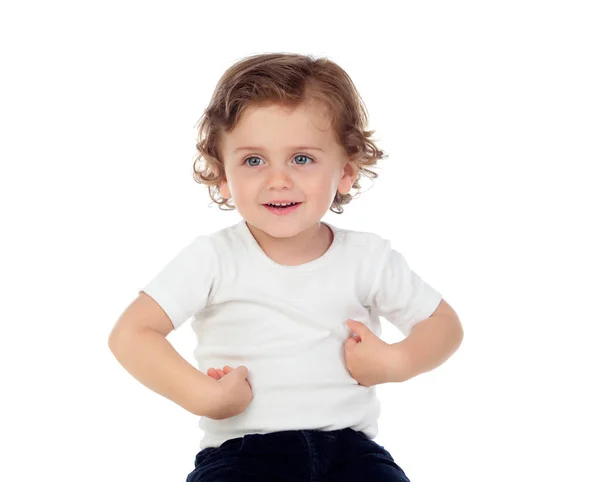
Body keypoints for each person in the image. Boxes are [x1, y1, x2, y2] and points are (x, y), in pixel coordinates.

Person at [108, 52, 463, 482]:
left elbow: (443, 324)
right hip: (243, 454)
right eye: (253, 161)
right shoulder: (213, 258)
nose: (278, 180)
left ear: (346, 171)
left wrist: (396, 361)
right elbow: (132, 335)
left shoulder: (367, 258)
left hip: (350, 452)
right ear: (223, 175)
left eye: (302, 159)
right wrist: (206, 397)